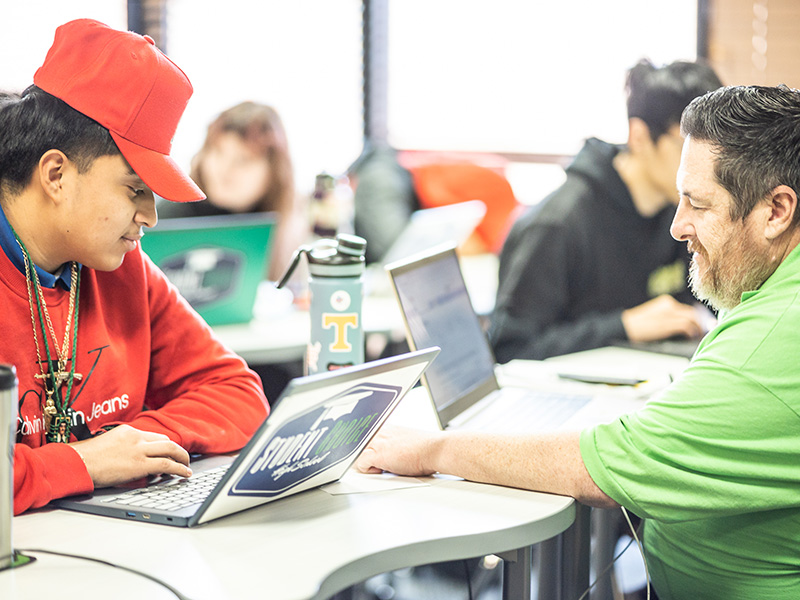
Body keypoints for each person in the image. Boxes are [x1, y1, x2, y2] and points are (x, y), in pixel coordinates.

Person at [357, 84, 800, 599]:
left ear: (776, 211)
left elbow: (600, 468)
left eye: (698, 205)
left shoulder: (774, 334)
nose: (678, 225)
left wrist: (430, 450)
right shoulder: (771, 293)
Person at [1, 19, 269, 515]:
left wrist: (134, 445)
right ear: (56, 174)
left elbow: (239, 394)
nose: (150, 216)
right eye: (134, 189)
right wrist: (84, 463)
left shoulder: (122, 267)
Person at [489, 59, 723, 362]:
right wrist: (624, 325)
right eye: (686, 147)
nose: (706, 167)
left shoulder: (680, 211)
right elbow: (509, 348)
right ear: (639, 136)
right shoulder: (558, 224)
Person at [158, 101, 309, 281]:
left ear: (274, 173)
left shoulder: (287, 227)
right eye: (217, 151)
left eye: (243, 160)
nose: (224, 169)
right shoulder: (165, 217)